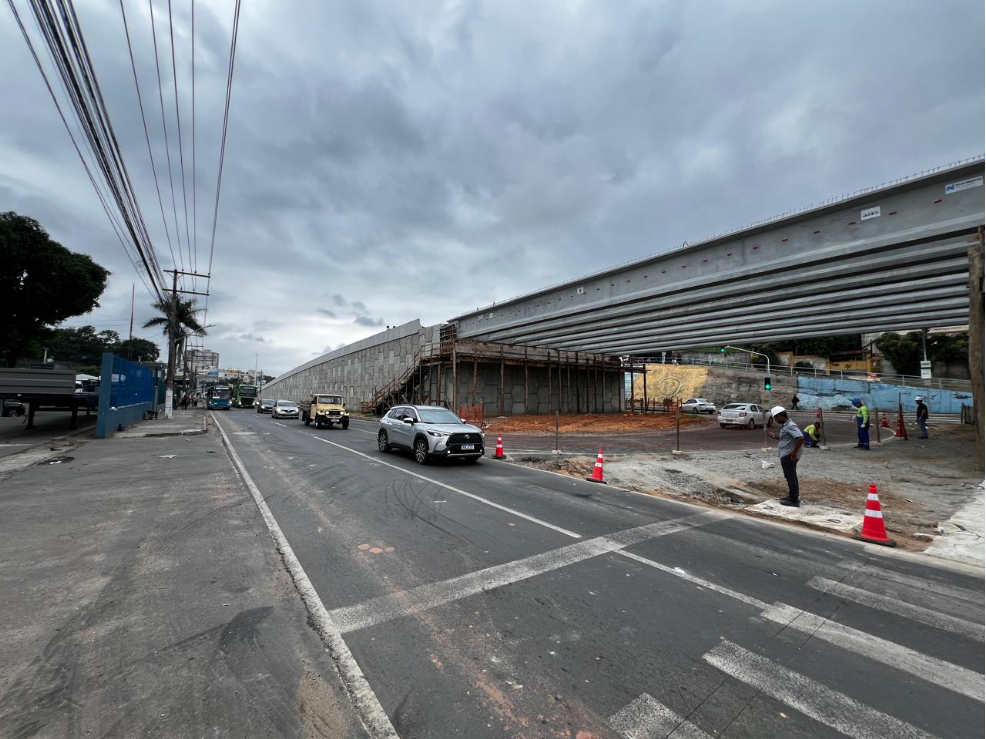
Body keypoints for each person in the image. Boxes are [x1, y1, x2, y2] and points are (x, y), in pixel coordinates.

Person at [768, 406, 803, 507]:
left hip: (788, 455)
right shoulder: (786, 425)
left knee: (790, 476)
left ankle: (794, 500)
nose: (776, 420)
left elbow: (800, 438)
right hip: (786, 454)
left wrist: (794, 452)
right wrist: (775, 436)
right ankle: (792, 496)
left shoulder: (790, 426)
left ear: (779, 416)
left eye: (776, 418)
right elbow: (786, 438)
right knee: (790, 476)